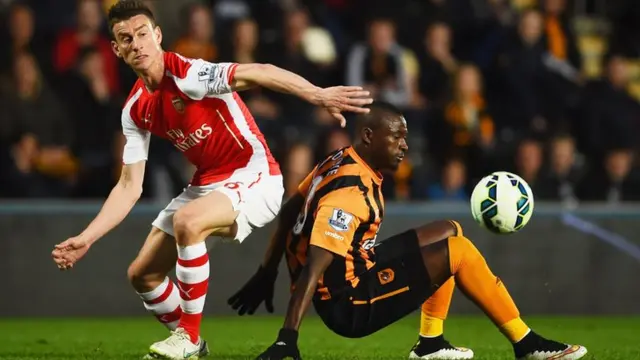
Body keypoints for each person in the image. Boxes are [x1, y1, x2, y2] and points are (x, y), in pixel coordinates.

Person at [50, 1, 372, 359]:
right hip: (208, 183)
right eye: (126, 39)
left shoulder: (189, 73)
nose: (137, 44)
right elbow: (129, 186)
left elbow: (260, 71)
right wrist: (86, 238)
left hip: (257, 175)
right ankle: (194, 346)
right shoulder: (135, 108)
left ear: (157, 36)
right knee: (143, 275)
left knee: (187, 221)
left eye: (142, 34)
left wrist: (317, 94)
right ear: (117, 49)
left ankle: (187, 337)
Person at [228, 101, 588, 360]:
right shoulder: (351, 196)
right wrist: (287, 338)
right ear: (369, 136)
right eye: (397, 137)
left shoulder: (339, 159)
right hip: (349, 303)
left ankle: (430, 343)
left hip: (358, 266)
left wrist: (267, 271)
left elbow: (290, 211)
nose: (404, 145)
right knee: (458, 252)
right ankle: (526, 344)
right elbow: (316, 267)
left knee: (450, 230)